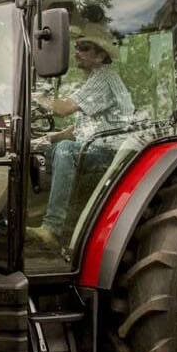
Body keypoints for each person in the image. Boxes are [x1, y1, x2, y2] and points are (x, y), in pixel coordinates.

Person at [30, 14, 134, 248]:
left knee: (65, 151)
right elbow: (80, 129)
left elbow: (65, 108)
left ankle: (52, 227)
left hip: (113, 151)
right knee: (42, 150)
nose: (77, 52)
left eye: (84, 48)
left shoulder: (104, 77)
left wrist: (35, 97)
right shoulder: (92, 81)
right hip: (97, 145)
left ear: (100, 56)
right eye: (76, 47)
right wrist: (44, 139)